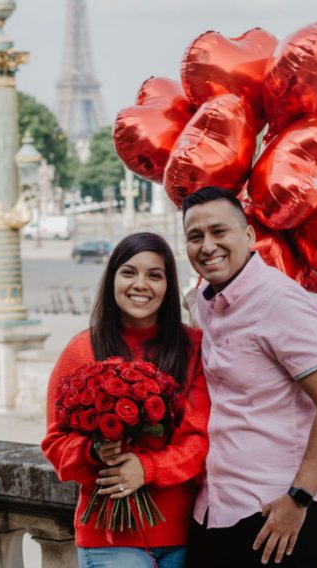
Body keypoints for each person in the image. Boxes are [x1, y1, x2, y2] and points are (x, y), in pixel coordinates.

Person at [182, 187, 317, 568]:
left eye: (219, 232)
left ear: (247, 236)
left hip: (276, 517)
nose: (207, 245)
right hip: (215, 511)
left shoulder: (281, 301)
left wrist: (299, 499)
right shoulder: (210, 304)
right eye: (195, 237)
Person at [41, 232, 210, 568]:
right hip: (109, 539)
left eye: (155, 275)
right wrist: (93, 451)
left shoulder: (193, 348)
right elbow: (55, 443)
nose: (141, 284)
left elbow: (200, 442)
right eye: (129, 272)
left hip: (183, 535)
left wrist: (147, 468)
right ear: (112, 279)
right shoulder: (82, 349)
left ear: (168, 285)